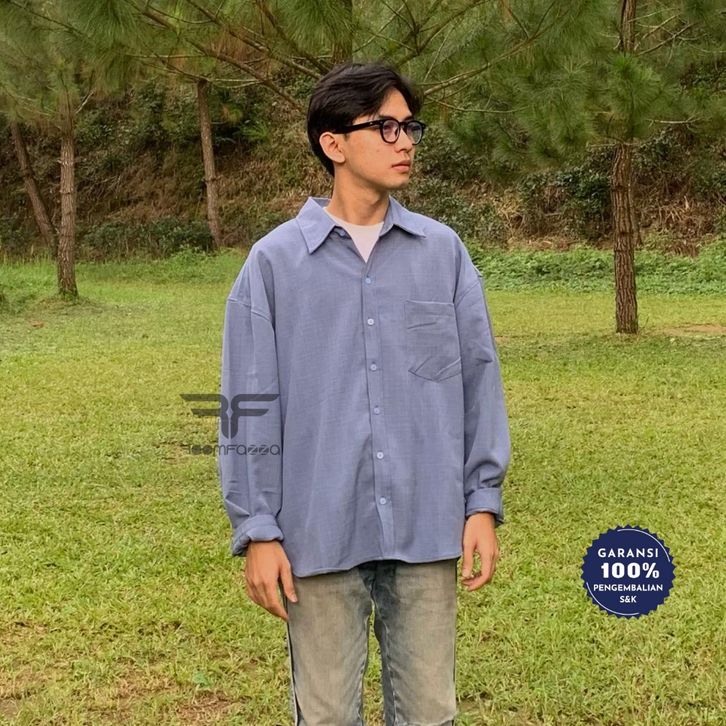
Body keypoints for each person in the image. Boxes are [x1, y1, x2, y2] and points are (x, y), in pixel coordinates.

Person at [218, 60, 511, 726]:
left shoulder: (443, 253)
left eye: (411, 127)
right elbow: (246, 405)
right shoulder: (273, 264)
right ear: (334, 144)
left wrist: (481, 503)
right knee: (324, 716)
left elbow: (477, 379)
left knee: (431, 713)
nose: (405, 142)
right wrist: (257, 529)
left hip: (427, 526)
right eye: (385, 127)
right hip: (316, 534)